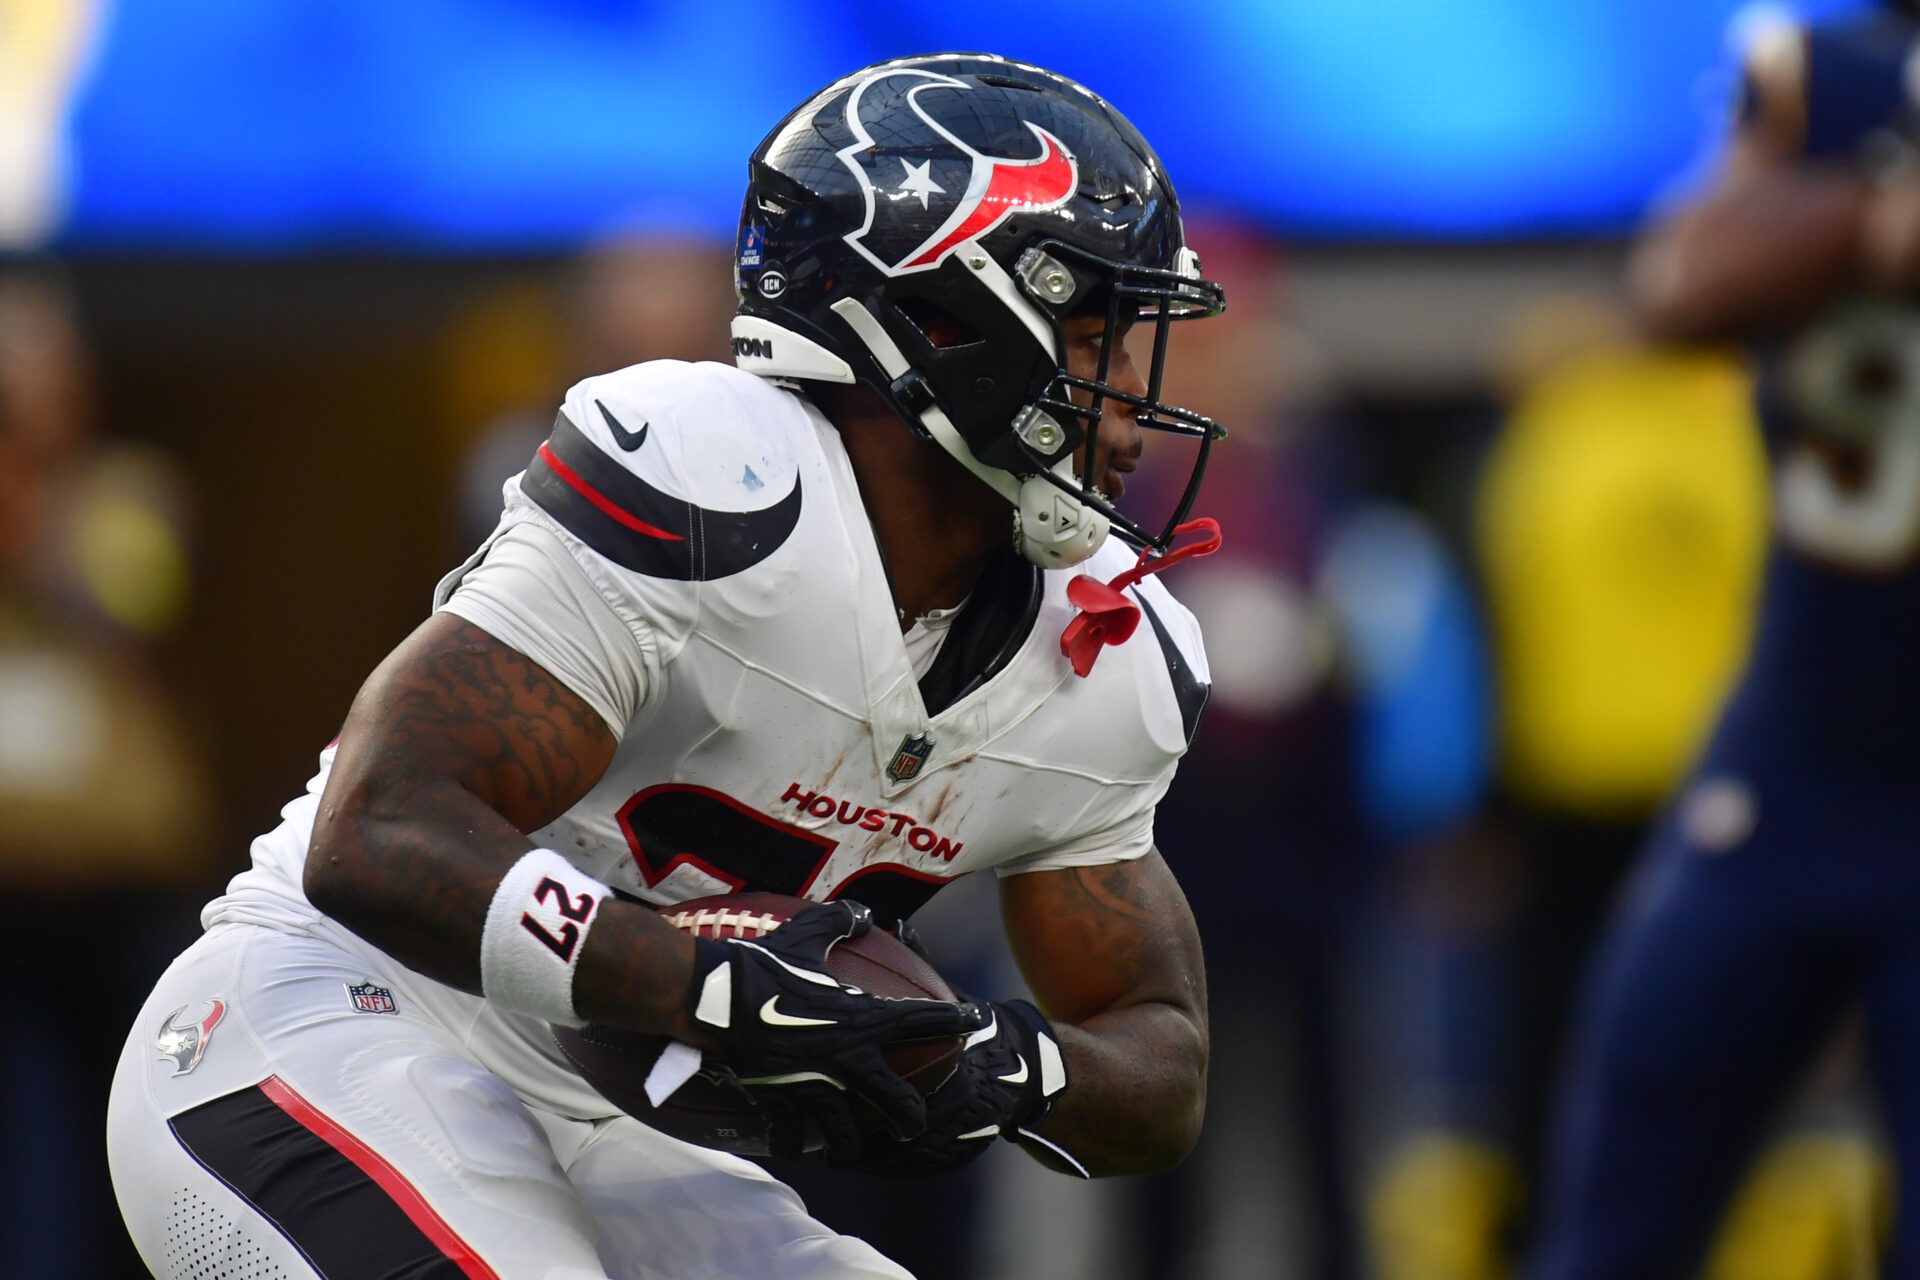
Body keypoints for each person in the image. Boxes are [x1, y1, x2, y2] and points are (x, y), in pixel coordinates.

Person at [107, 53, 1226, 1280]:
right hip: (327, 1023)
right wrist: (712, 984)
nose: (1128, 402)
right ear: (949, 321)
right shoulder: (722, 489)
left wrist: (997, 1061)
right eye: (1092, 335)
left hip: (602, 1125)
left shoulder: (1105, 651)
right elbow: (379, 831)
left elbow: (1160, 1061)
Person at [1528, 5, 1920, 1276]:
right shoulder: (1826, 75)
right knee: (1615, 1216)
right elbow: (1681, 283)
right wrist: (1869, 221)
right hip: (1796, 758)